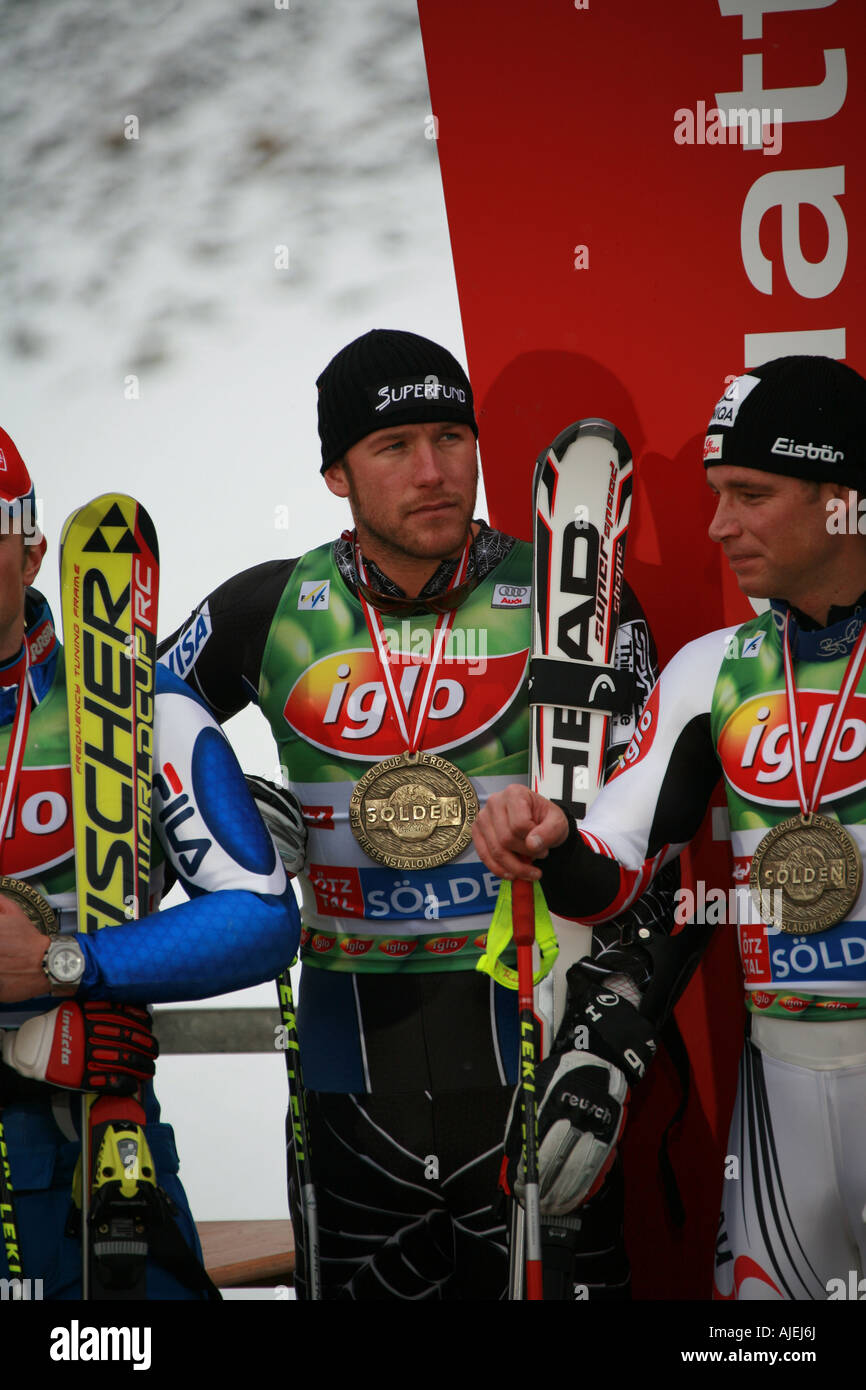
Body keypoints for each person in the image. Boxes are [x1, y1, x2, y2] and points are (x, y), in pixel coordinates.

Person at [160, 328, 675, 1300]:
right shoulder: (267, 608)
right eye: (393, 446)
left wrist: (613, 1033)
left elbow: (659, 833)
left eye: (451, 435)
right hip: (350, 1091)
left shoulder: (571, 596)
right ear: (334, 473)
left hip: (531, 1066)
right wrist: (231, 821)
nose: (434, 470)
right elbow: (124, 732)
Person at [472, 354, 866, 1301]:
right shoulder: (711, 670)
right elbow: (611, 865)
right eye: (715, 494)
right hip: (780, 1112)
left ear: (842, 497)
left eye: (750, 494)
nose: (717, 525)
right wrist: (543, 837)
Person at [0, 427, 301, 1300]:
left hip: (90, 1144)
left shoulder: (135, 704)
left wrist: (76, 966)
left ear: (30, 550)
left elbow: (260, 915)